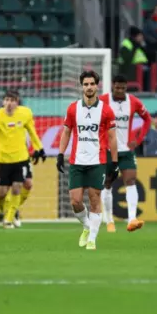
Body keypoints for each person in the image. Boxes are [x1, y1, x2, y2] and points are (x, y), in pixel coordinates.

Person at [57, 70, 117, 250]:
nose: (89, 87)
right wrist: (60, 154)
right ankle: (87, 226)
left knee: (94, 199)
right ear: (81, 86)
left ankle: (92, 239)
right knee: (75, 201)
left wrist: (114, 162)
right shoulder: (73, 108)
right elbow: (66, 132)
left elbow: (112, 137)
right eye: (86, 84)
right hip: (77, 160)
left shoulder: (106, 110)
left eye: (92, 84)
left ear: (97, 86)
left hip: (97, 161)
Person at [0, 89, 45, 229]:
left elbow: (32, 132)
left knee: (21, 186)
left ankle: (10, 216)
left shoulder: (25, 114)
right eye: (7, 100)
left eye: (12, 100)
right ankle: (7, 211)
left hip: (22, 158)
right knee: (2, 193)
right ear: (3, 102)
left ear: (17, 102)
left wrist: (39, 148)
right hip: (4, 160)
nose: (9, 103)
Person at [99, 75, 151, 233]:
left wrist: (138, 139)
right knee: (107, 183)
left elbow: (147, 119)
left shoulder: (134, 101)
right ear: (112, 86)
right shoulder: (102, 100)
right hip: (109, 150)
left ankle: (132, 219)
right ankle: (109, 220)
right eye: (117, 87)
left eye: (123, 88)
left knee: (131, 180)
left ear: (126, 87)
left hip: (127, 150)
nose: (120, 91)